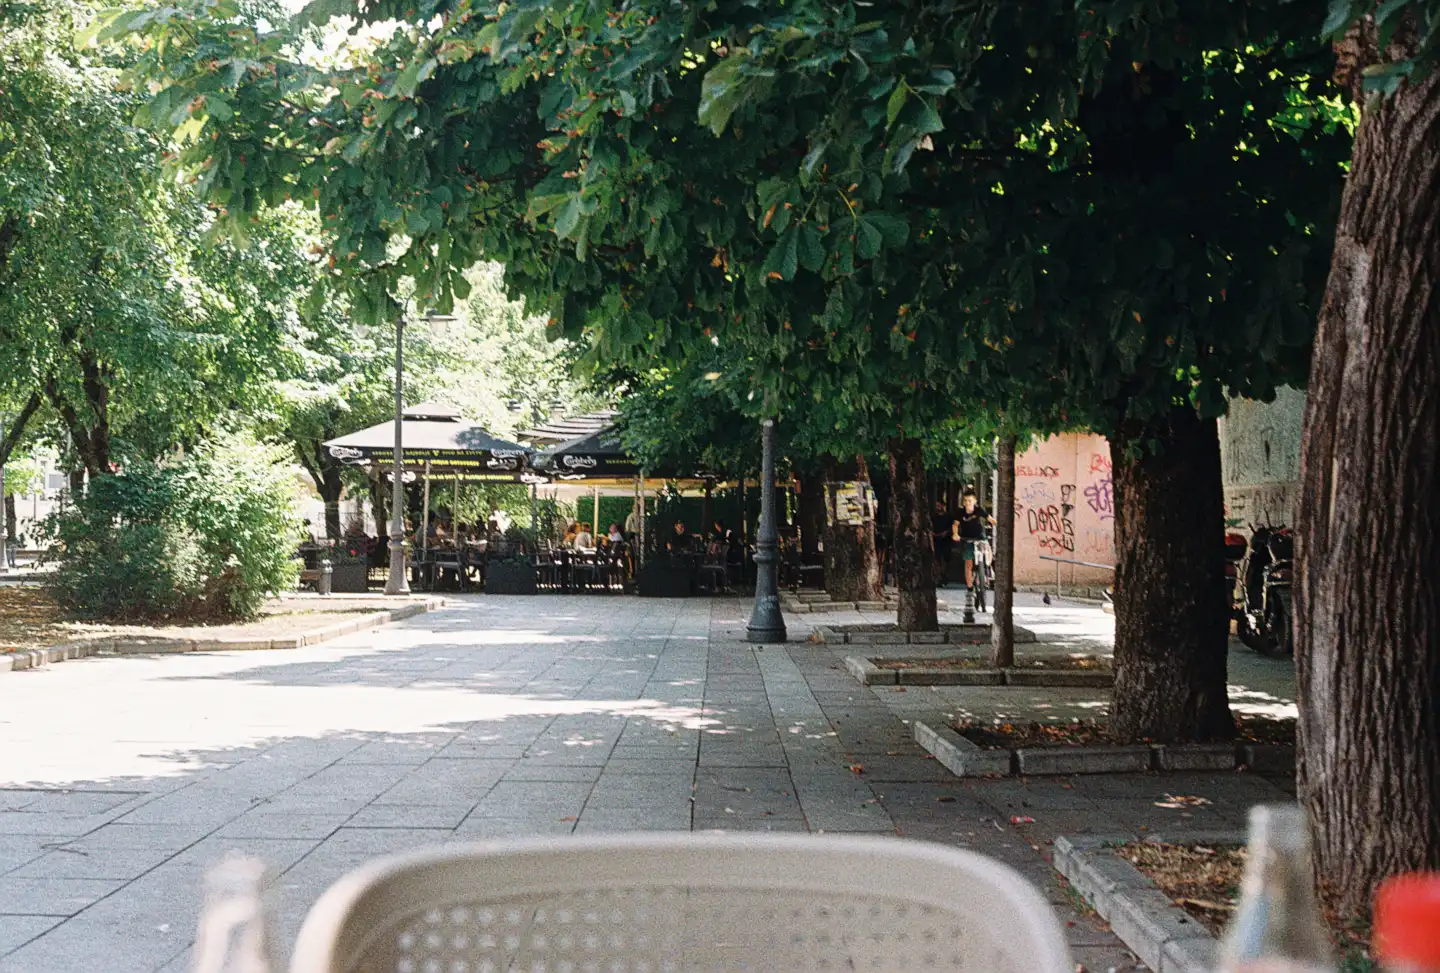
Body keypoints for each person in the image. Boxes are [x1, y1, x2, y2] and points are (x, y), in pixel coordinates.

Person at [957, 486, 996, 589]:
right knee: (968, 564)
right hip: (967, 538)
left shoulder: (978, 510)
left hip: (980, 537)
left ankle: (987, 568)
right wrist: (955, 534)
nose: (967, 503)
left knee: (988, 550)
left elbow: (989, 519)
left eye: (970, 501)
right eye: (965, 501)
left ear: (975, 501)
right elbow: (955, 525)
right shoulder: (960, 512)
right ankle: (969, 586)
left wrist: (996, 523)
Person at [931, 500, 956, 588]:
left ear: (943, 506)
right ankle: (939, 577)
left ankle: (944, 575)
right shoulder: (933, 517)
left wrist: (947, 532)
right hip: (936, 540)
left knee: (947, 560)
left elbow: (953, 527)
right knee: (937, 560)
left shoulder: (949, 516)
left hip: (946, 540)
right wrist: (932, 533)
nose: (938, 507)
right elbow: (930, 526)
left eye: (939, 505)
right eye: (936, 505)